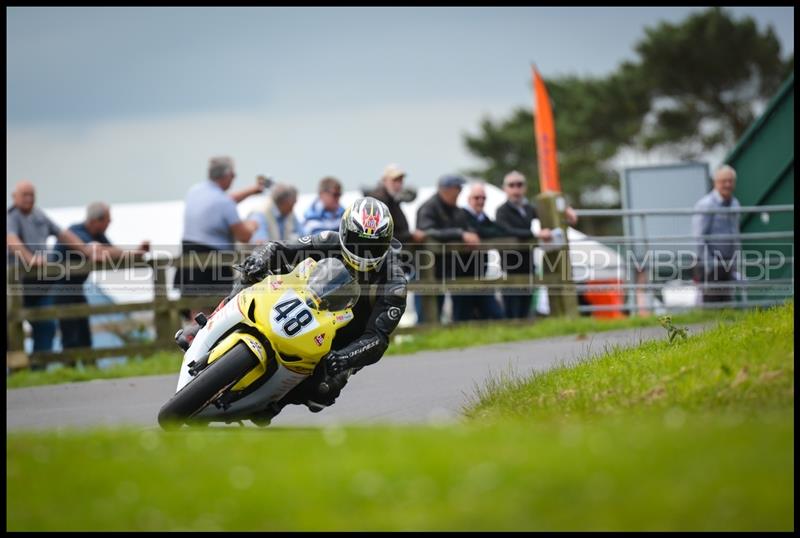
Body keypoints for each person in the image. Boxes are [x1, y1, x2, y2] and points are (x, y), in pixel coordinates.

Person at [176, 196, 407, 424]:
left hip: (343, 339)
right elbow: (280, 248)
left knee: (323, 393)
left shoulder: (394, 282)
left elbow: (377, 339)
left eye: (373, 246)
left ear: (386, 243)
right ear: (345, 231)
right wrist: (261, 257)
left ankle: (274, 401)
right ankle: (208, 323)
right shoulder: (328, 240)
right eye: (358, 241)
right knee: (251, 273)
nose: (364, 252)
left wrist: (345, 358)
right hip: (301, 298)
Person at [6, 180, 95, 356]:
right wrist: (30, 259)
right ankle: (15, 372)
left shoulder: (39, 215)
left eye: (32, 195)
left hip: (38, 285)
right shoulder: (11, 217)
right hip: (15, 286)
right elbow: (12, 240)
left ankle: (38, 370)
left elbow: (63, 234)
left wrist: (85, 250)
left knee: (46, 325)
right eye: (25, 194)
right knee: (12, 327)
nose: (29, 198)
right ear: (14, 196)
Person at [52, 202, 150, 349]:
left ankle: (88, 365)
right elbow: (99, 253)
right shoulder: (76, 232)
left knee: (83, 330)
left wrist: (136, 252)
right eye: (107, 220)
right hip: (59, 288)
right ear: (96, 220)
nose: (110, 223)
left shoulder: (97, 235)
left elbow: (114, 252)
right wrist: (128, 253)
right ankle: (71, 367)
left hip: (76, 288)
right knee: (69, 332)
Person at [175, 156, 263, 320]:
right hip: (212, 260)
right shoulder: (224, 203)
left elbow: (225, 200)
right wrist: (253, 223)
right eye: (234, 175)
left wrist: (253, 190)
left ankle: (192, 342)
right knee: (214, 310)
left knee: (196, 308)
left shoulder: (195, 191)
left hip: (189, 255)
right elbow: (244, 236)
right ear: (227, 174)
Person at [415, 174, 481, 322]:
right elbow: (427, 231)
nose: (460, 191)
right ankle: (425, 338)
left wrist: (470, 233)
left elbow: (467, 228)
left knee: (439, 308)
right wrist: (460, 234)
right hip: (427, 270)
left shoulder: (455, 210)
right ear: (446, 189)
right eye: (457, 188)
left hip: (445, 269)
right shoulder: (428, 208)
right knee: (426, 312)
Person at [458, 182, 510, 321]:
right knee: (463, 317)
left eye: (483, 198)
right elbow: (478, 230)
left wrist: (481, 233)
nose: (480, 201)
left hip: (480, 274)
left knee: (494, 314)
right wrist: (481, 232)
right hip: (462, 276)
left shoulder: (483, 218)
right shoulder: (461, 215)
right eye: (476, 198)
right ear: (469, 198)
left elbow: (498, 231)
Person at [692, 164, 742, 304]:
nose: (727, 184)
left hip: (728, 261)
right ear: (715, 182)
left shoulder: (735, 204)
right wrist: (710, 263)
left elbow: (736, 234)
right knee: (711, 304)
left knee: (727, 302)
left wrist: (736, 262)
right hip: (710, 262)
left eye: (730, 181)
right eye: (723, 181)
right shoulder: (706, 205)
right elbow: (699, 237)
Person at [366, 163, 427, 245]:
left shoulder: (392, 198)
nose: (398, 184)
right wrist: (410, 236)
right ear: (384, 180)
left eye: (400, 180)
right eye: (395, 180)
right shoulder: (379, 201)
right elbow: (379, 233)